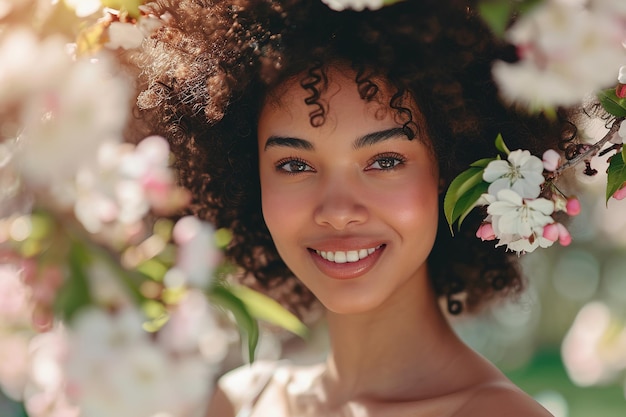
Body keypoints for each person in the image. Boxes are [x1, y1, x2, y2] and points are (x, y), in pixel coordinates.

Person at [129, 0, 564, 415]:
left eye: (385, 161)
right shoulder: (242, 403)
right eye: (295, 164)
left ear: (451, 170)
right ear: (246, 176)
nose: (337, 211)